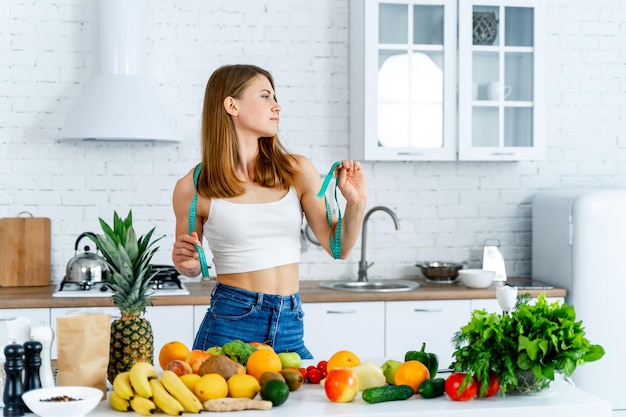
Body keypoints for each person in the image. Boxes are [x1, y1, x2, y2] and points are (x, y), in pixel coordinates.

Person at [171, 64, 367, 359]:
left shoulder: (297, 170)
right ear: (231, 105)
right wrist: (187, 264)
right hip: (230, 324)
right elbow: (191, 263)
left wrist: (356, 203)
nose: (277, 107)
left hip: (289, 323)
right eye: (265, 96)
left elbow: (338, 247)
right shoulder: (194, 187)